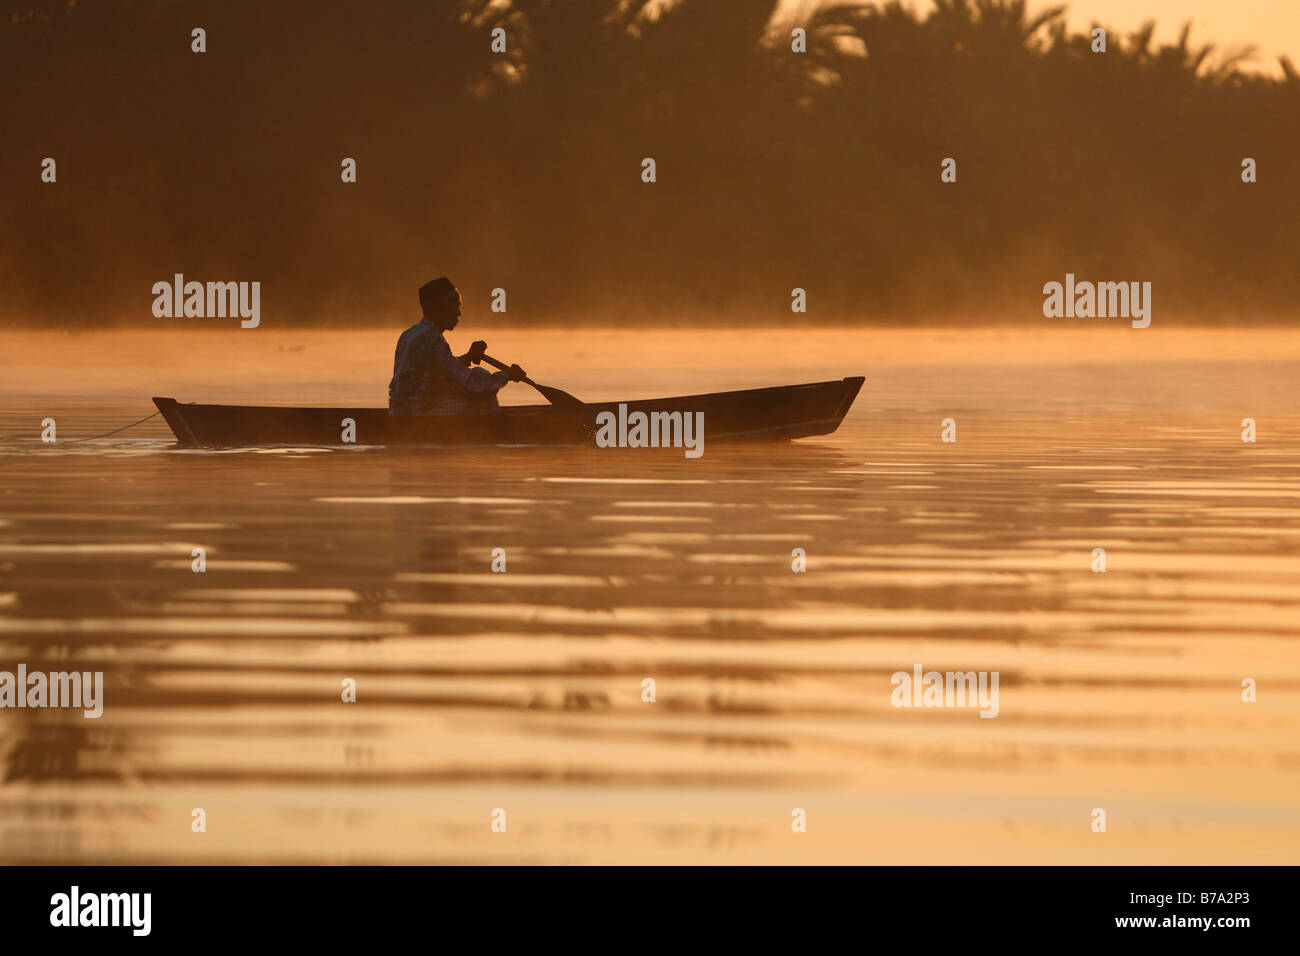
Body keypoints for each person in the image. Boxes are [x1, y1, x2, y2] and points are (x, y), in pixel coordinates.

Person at [388, 277, 526, 415]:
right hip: (417, 412)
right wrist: (506, 376)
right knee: (483, 393)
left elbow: (440, 372)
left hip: (399, 410)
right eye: (455, 306)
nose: (459, 313)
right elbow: (471, 385)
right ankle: (491, 435)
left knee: (479, 376)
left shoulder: (410, 333)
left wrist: (468, 357)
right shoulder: (431, 338)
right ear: (439, 308)